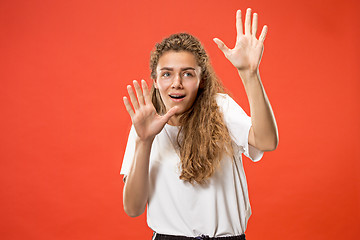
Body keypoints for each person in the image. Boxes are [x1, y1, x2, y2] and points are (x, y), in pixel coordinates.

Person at [120, 8, 278, 240]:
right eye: (166, 74)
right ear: (155, 81)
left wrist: (249, 74)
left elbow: (266, 141)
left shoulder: (220, 107)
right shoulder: (144, 124)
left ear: (202, 80)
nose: (176, 83)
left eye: (187, 74)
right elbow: (133, 208)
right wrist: (144, 141)